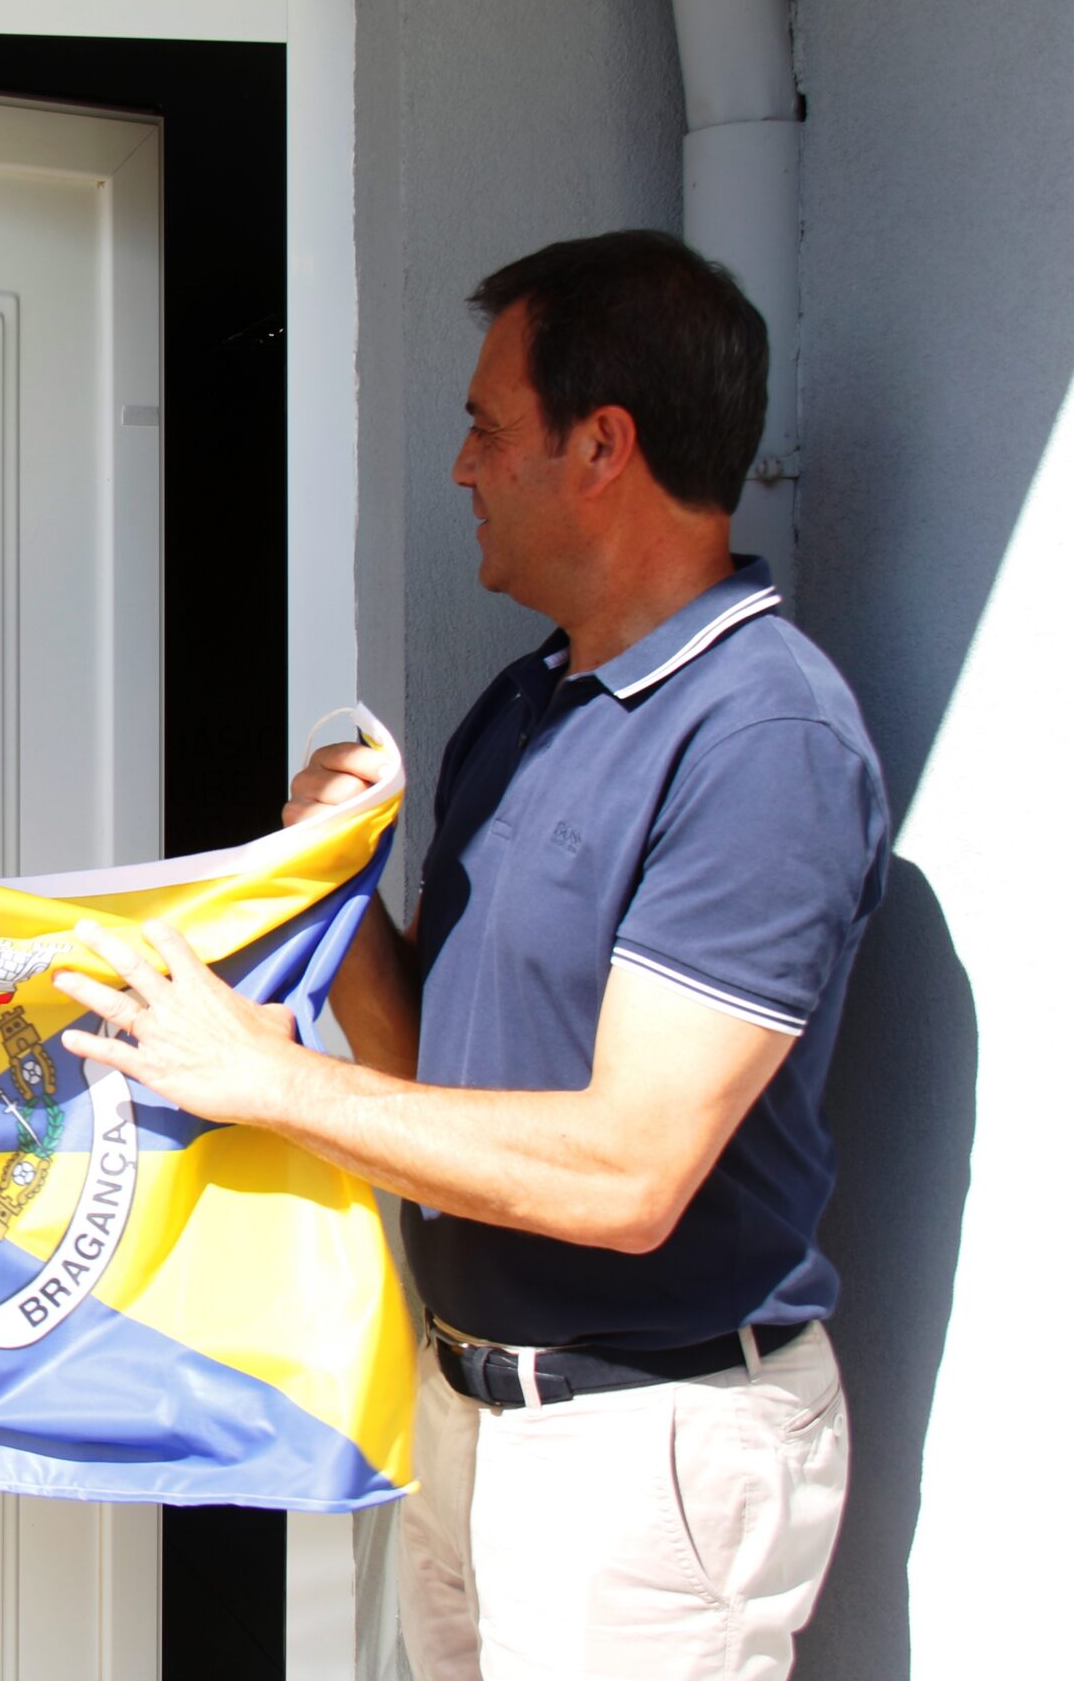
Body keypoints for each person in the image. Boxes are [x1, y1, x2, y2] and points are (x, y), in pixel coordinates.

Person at [55, 231, 886, 1679]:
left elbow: (629, 1177)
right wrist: (347, 893)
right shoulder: (528, 706)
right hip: (470, 1407)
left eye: (488, 426)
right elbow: (439, 1068)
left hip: (645, 1451)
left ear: (601, 447)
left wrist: (261, 1080)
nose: (463, 467)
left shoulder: (762, 740)